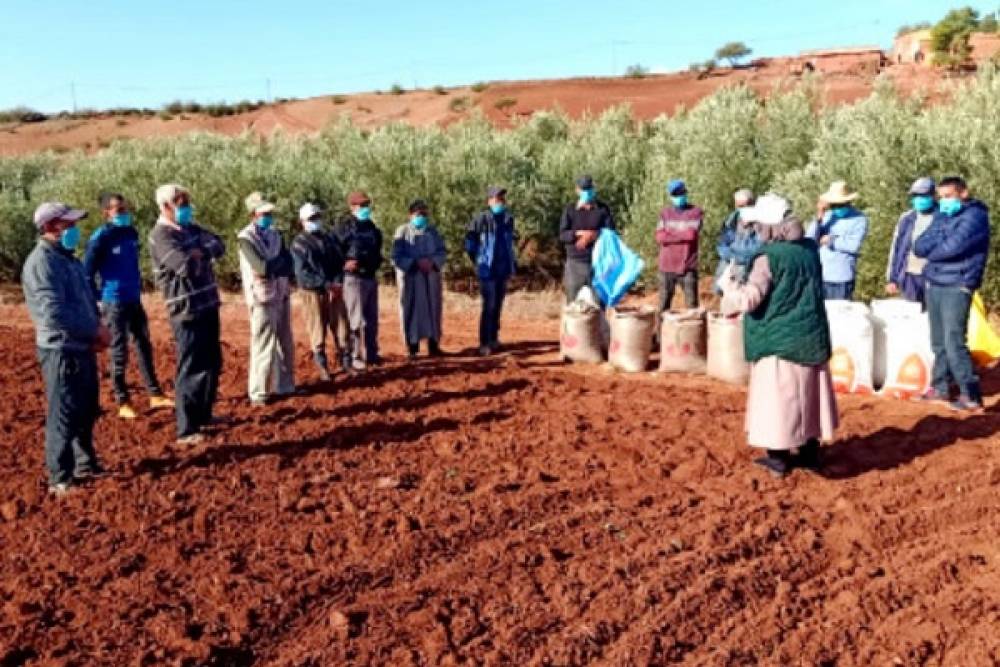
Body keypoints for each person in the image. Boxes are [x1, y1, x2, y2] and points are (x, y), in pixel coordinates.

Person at [719, 193, 838, 478]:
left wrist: (730, 291)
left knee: (778, 401)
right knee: (810, 397)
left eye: (759, 224)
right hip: (809, 333)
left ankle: (779, 458)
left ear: (770, 225)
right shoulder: (808, 249)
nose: (757, 229)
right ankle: (809, 453)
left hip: (778, 338)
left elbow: (751, 299)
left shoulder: (768, 258)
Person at [22, 202, 111, 495]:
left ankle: (85, 463)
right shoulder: (41, 263)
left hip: (81, 346)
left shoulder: (68, 260)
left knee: (86, 408)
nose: (74, 230)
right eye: (67, 225)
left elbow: (85, 300)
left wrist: (96, 327)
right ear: (49, 227)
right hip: (60, 349)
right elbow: (53, 314)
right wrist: (92, 330)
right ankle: (60, 477)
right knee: (64, 412)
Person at [83, 192, 172, 419]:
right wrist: (98, 301)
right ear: (107, 213)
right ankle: (122, 400)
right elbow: (87, 273)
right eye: (119, 210)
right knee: (119, 351)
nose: (125, 213)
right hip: (113, 301)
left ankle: (155, 393)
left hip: (133, 298)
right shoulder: (101, 237)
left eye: (126, 209)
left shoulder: (130, 232)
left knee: (143, 344)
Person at [148, 184, 225, 445]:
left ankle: (204, 414)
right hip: (186, 309)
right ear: (165, 207)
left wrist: (200, 252)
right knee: (191, 366)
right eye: (180, 205)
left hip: (207, 303)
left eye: (186, 203)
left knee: (212, 361)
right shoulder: (161, 236)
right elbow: (185, 266)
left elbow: (219, 244)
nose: (186, 209)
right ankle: (186, 427)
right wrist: (200, 254)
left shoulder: (192, 229)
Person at [914, 176, 991, 411]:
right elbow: (919, 245)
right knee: (938, 341)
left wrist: (935, 250)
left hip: (958, 284)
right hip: (936, 282)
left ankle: (971, 393)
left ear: (963, 193)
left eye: (949, 196)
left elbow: (954, 247)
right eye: (942, 197)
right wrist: (937, 246)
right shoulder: (942, 215)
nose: (944, 201)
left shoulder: (975, 217)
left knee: (954, 340)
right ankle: (941, 387)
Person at [238, 193, 295, 406]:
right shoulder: (245, 238)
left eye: (269, 213)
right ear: (253, 215)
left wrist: (273, 267)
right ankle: (258, 392)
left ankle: (285, 386)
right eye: (264, 213)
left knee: (285, 343)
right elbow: (260, 268)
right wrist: (275, 266)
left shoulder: (275, 235)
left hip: (280, 293)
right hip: (261, 297)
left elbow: (288, 263)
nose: (268, 216)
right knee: (263, 344)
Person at [292, 202, 349, 380]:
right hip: (312, 292)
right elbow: (302, 273)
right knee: (317, 329)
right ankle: (322, 366)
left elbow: (339, 263)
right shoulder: (299, 244)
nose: (316, 221)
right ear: (302, 221)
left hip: (333, 289)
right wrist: (326, 284)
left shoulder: (329, 239)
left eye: (317, 217)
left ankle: (346, 362)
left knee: (341, 326)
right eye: (311, 218)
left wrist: (337, 283)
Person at [465, 185, 517, 356]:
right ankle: (484, 342)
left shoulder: (508, 219)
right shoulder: (480, 220)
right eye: (496, 199)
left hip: (502, 269)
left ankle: (494, 338)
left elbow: (510, 244)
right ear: (489, 201)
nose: (499, 202)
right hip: (487, 270)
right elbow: (470, 244)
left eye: (502, 199)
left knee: (498, 306)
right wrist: (479, 261)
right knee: (489, 305)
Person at [392, 199, 447, 358]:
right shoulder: (402, 232)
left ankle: (434, 345)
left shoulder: (433, 232)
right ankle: (412, 347)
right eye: (418, 214)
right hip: (411, 280)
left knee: (433, 310)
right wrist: (415, 263)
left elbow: (442, 252)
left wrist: (432, 263)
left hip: (431, 279)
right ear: (410, 215)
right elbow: (396, 256)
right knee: (411, 311)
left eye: (424, 214)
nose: (421, 216)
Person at [335, 191, 384, 368]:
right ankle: (354, 355)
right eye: (361, 205)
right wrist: (344, 264)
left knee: (372, 319)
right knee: (355, 319)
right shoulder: (344, 227)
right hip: (353, 279)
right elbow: (335, 251)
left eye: (366, 205)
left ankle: (372, 353)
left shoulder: (372, 227)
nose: (365, 208)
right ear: (352, 207)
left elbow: (378, 249)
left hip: (370, 276)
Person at [806, 181, 868, 300]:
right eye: (833, 205)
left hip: (842, 278)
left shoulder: (859, 219)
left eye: (839, 205)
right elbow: (810, 238)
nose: (836, 208)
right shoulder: (828, 216)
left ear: (848, 202)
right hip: (821, 275)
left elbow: (853, 245)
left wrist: (831, 241)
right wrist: (819, 217)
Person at [558, 175, 615, 303]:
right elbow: (562, 235)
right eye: (584, 189)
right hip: (575, 264)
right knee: (572, 303)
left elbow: (611, 233)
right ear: (577, 190)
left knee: (599, 303)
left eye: (589, 189)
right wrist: (578, 234)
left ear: (594, 189)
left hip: (598, 264)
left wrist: (592, 235)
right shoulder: (570, 210)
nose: (587, 192)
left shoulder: (603, 209)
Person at [886, 177, 937, 304]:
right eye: (916, 195)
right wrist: (892, 279)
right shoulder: (907, 218)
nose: (919, 199)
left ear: (933, 195)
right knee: (912, 314)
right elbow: (896, 249)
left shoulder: (943, 217)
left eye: (923, 195)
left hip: (934, 277)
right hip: (909, 276)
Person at [656, 179, 704, 311]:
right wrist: (681, 235)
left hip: (687, 266)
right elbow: (660, 237)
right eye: (675, 194)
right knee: (663, 305)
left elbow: (692, 235)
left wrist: (670, 235)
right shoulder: (664, 213)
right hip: (666, 266)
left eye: (681, 193)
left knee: (692, 305)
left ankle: (694, 331)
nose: (679, 197)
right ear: (671, 196)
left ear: (685, 193)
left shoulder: (696, 212)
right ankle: (660, 332)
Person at [713, 189, 761, 294]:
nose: (742, 209)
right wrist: (730, 255)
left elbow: (758, 248)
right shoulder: (731, 221)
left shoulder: (761, 223)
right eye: (739, 206)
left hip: (748, 263)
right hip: (730, 260)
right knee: (719, 288)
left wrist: (737, 256)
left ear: (753, 204)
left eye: (746, 205)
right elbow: (722, 244)